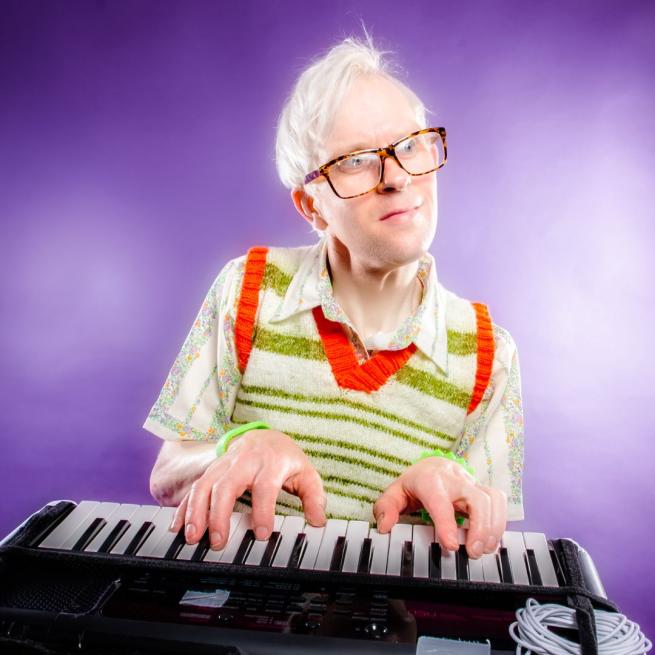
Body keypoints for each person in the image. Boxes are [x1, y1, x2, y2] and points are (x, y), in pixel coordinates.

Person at [144, 34, 525, 562]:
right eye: (356, 161)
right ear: (311, 207)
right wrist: (240, 445)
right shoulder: (247, 287)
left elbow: (486, 532)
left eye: (411, 145)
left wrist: (456, 495)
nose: (396, 178)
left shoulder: (491, 355)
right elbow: (167, 477)